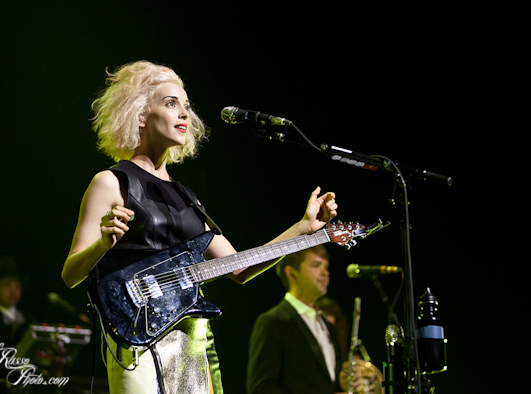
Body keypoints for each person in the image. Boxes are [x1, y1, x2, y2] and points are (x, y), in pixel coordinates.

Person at [60, 60, 338, 394]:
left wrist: (304, 229)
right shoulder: (111, 182)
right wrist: (102, 244)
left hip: (192, 340)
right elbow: (70, 274)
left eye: (187, 107)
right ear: (140, 116)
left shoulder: (186, 197)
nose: (184, 114)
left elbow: (240, 266)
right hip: (136, 338)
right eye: (171, 103)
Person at [247, 245, 382, 394]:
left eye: (326, 266)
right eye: (316, 265)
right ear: (292, 273)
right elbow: (261, 389)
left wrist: (345, 381)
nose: (325, 273)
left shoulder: (327, 326)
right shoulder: (273, 322)